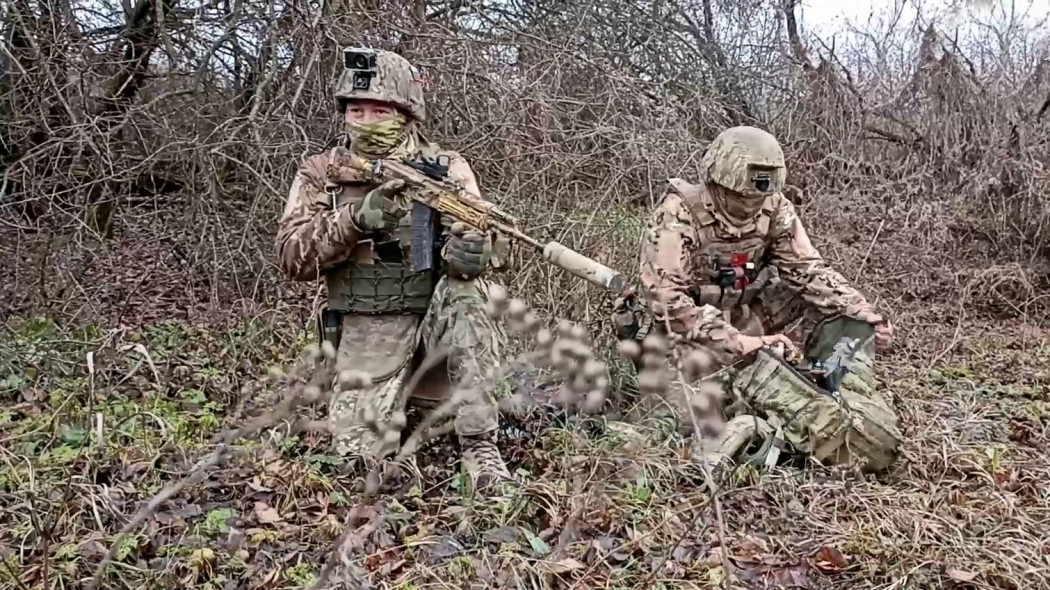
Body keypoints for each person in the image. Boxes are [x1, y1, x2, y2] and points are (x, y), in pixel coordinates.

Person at [274, 47, 511, 487]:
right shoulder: (321, 173)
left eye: (378, 110)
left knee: (470, 296)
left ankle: (479, 443)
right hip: (368, 327)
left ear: (406, 112)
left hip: (435, 321)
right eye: (356, 110)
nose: (365, 121)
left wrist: (476, 252)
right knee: (358, 464)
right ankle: (399, 435)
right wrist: (354, 219)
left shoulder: (445, 168)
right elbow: (290, 256)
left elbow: (492, 241)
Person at [619, 125, 901, 473]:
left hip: (747, 313)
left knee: (843, 312)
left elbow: (808, 270)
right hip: (685, 336)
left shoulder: (774, 208)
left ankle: (820, 386)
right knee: (681, 423)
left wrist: (864, 312)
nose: (751, 206)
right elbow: (665, 302)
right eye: (742, 198)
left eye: (759, 197)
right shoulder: (678, 213)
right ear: (717, 182)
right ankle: (752, 392)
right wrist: (741, 343)